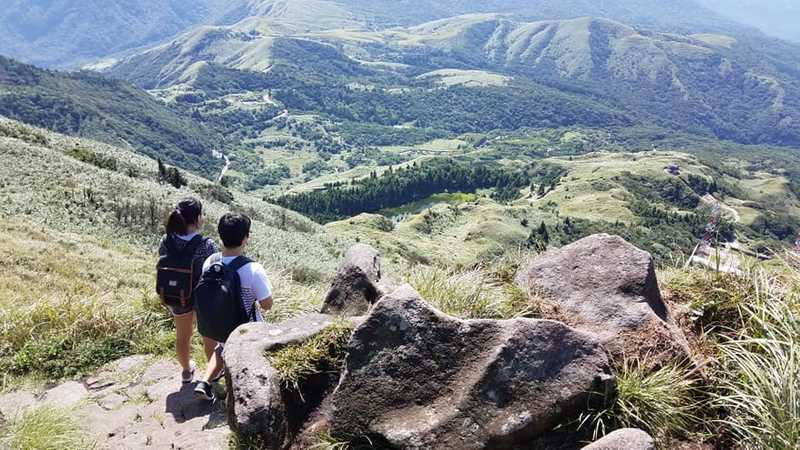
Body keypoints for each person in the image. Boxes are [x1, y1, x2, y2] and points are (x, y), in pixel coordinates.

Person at [194, 213, 273, 401]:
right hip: (244, 326)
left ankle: (205, 382)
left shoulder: (210, 262)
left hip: (216, 321)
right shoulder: (253, 269)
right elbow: (267, 304)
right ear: (245, 238)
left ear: (220, 235)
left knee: (221, 348)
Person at [157, 198, 218, 383]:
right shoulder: (205, 244)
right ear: (197, 219)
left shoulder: (166, 240)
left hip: (176, 295)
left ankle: (186, 371)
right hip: (202, 296)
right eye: (202, 214)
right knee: (209, 336)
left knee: (182, 336)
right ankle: (212, 375)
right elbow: (214, 271)